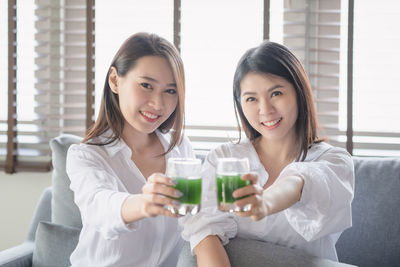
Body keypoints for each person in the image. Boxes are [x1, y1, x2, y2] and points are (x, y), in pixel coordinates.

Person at [180, 41, 354, 266]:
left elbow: (301, 181)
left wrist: (266, 202)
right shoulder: (224, 158)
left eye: (276, 93)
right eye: (251, 98)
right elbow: (204, 235)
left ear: (299, 92)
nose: (265, 109)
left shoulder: (334, 161)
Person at [66, 32, 194, 267]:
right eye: (146, 85)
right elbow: (99, 206)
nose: (158, 104)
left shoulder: (181, 148)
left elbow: (197, 219)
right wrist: (146, 202)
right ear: (115, 80)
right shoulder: (86, 155)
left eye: (170, 90)